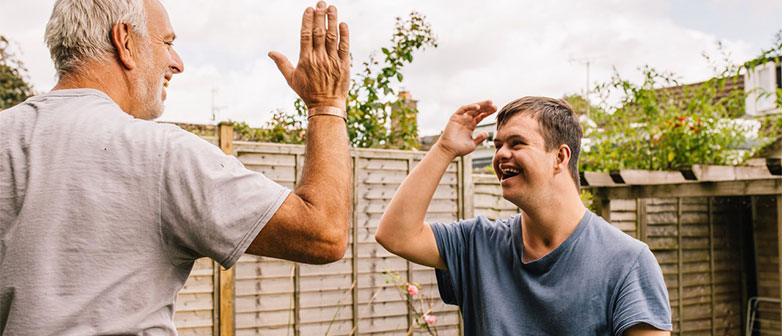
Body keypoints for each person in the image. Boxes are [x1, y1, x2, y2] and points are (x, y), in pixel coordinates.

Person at [0, 0, 351, 333]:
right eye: (167, 42)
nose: (178, 63)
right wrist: (326, 106)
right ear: (124, 41)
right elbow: (323, 233)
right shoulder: (161, 154)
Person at [375, 97, 672, 335]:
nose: (501, 154)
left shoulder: (628, 262)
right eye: (497, 145)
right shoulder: (478, 243)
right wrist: (443, 149)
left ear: (560, 157)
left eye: (516, 143)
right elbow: (396, 235)